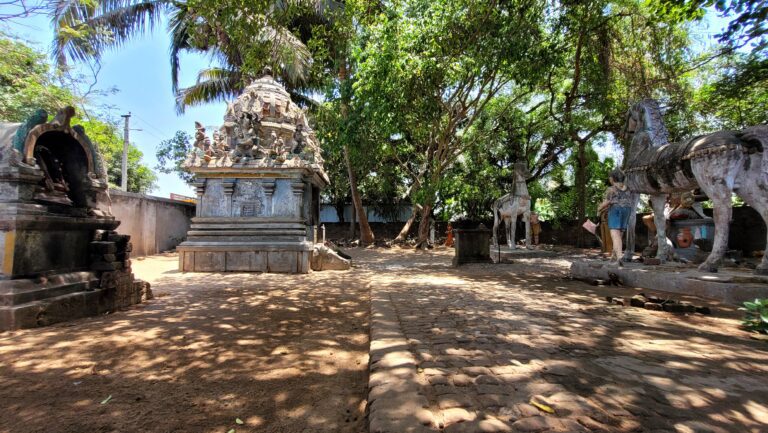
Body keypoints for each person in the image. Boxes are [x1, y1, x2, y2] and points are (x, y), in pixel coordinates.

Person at [598, 169, 633, 263]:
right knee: (619, 234)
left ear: (612, 178)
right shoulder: (628, 188)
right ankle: (614, 256)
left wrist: (599, 208)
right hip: (627, 210)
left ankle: (619, 257)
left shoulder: (611, 189)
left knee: (615, 235)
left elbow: (607, 202)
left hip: (615, 210)